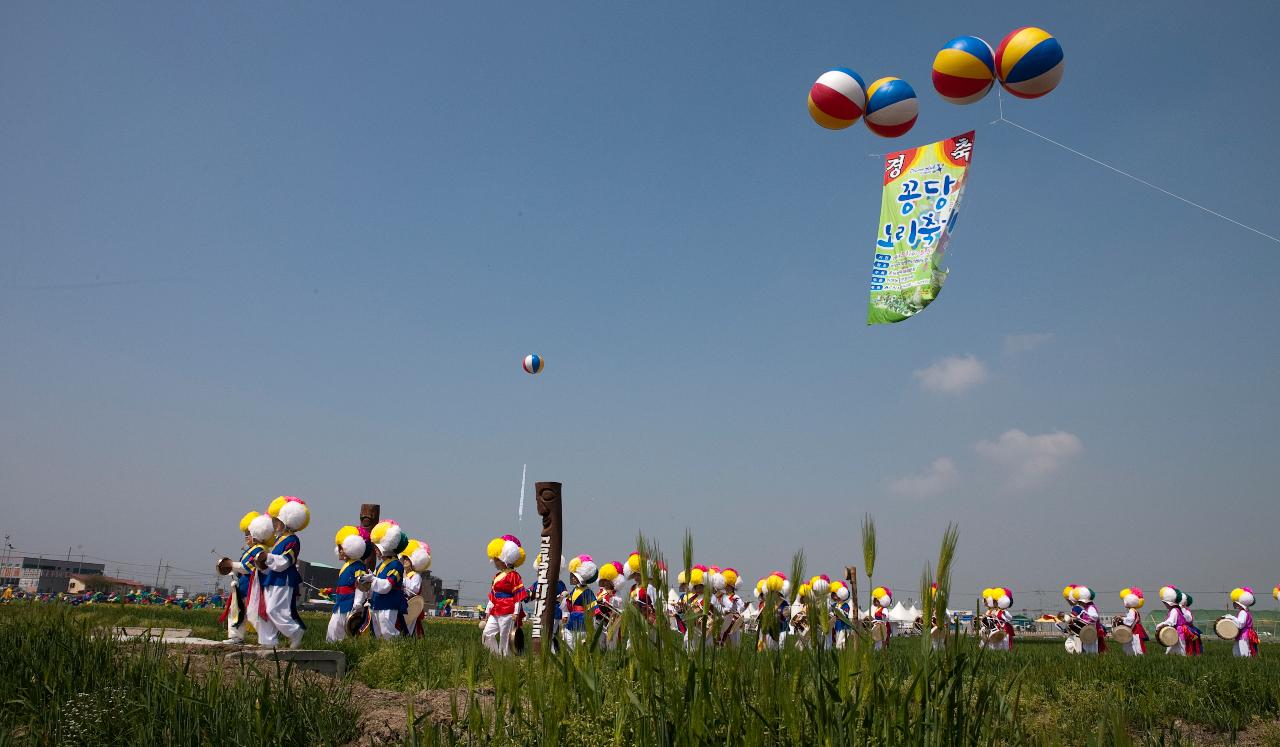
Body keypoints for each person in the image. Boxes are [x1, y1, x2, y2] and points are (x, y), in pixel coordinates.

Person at [255, 496, 310, 649]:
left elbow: (286, 561)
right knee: (268, 610)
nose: (275, 524)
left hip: (284, 579)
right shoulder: (280, 540)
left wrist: (268, 557)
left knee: (275, 609)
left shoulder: (293, 540)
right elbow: (273, 563)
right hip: (273, 578)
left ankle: (295, 631)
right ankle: (268, 641)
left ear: (287, 522)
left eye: (277, 521)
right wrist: (261, 563)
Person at [221, 510, 265, 644]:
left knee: (253, 616)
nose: (246, 536)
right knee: (235, 612)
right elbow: (241, 569)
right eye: (245, 533)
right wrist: (233, 573)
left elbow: (247, 568)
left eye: (249, 533)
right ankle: (235, 637)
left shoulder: (259, 550)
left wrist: (231, 565)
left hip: (252, 588)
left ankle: (266, 638)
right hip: (242, 587)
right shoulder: (251, 550)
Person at [482, 535, 528, 656]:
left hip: (508, 610)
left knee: (505, 638)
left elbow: (518, 596)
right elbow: (492, 595)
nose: (494, 561)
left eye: (496, 559)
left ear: (504, 559)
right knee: (487, 634)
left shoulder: (514, 576)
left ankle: (505, 662)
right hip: (496, 609)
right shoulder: (497, 576)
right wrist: (487, 611)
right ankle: (496, 657)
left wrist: (516, 613)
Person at [364, 520, 409, 639]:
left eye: (377, 547)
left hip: (389, 604)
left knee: (388, 632)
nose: (376, 551)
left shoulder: (396, 565)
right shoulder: (381, 565)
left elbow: (387, 586)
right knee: (379, 634)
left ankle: (395, 653)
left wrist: (372, 580)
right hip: (377, 604)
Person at [326, 526, 368, 643]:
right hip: (341, 602)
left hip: (350, 604)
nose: (339, 551)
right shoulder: (349, 565)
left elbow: (361, 587)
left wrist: (357, 604)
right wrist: (332, 595)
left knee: (340, 630)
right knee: (333, 629)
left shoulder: (358, 566)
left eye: (341, 548)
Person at [561, 554, 598, 650]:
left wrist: (591, 625)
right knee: (567, 638)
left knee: (579, 641)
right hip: (573, 618)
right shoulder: (574, 590)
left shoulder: (588, 592)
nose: (571, 577)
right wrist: (565, 615)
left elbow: (593, 610)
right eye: (571, 575)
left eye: (574, 576)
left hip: (582, 619)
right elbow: (568, 604)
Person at [401, 538, 432, 638]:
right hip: (402, 603)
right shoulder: (402, 574)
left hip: (412, 605)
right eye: (404, 558)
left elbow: (414, 590)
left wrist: (403, 581)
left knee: (410, 628)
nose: (405, 561)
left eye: (407, 559)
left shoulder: (416, 576)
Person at [593, 560, 625, 650]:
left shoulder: (616, 592)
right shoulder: (600, 592)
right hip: (599, 618)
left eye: (608, 580)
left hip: (611, 619)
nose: (605, 582)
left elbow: (619, 603)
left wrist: (611, 597)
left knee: (611, 641)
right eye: (604, 580)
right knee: (600, 641)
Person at [714, 568, 746, 646]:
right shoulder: (721, 596)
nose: (727, 587)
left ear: (733, 587)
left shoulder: (736, 596)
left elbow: (741, 608)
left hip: (733, 621)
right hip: (723, 620)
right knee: (722, 641)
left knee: (734, 641)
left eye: (729, 586)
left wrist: (743, 606)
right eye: (726, 586)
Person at [1228, 587, 1261, 658]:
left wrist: (1231, 617)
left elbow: (1240, 624)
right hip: (1243, 634)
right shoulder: (1244, 612)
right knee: (1237, 651)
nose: (1235, 605)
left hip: (1244, 635)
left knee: (1244, 652)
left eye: (1236, 603)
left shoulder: (1243, 612)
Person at [1158, 586, 1190, 656]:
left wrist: (1161, 625)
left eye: (1165, 603)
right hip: (1177, 630)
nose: (1165, 605)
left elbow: (1171, 621)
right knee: (1176, 646)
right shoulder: (1176, 609)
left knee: (1180, 646)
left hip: (1178, 631)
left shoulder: (1174, 610)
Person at [1075, 586, 1106, 654]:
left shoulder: (1091, 608)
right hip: (1089, 632)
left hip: (1091, 633)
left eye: (1080, 602)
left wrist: (1082, 616)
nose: (1080, 604)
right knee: (1087, 649)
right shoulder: (1087, 608)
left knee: (1091, 650)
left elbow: (1094, 617)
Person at [1118, 587, 1149, 656]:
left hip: (1135, 631)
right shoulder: (1134, 610)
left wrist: (1122, 619)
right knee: (1135, 644)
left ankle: (1136, 656)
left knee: (1136, 644)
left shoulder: (1131, 610)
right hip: (1136, 629)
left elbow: (1130, 620)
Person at [830, 580, 855, 649]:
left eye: (835, 594)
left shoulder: (845, 605)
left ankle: (842, 654)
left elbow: (846, 614)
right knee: (837, 640)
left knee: (841, 643)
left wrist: (839, 611)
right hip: (836, 625)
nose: (834, 596)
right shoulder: (834, 605)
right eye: (833, 594)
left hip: (844, 626)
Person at [990, 587, 1015, 652]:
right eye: (993, 601)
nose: (994, 603)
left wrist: (1003, 613)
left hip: (1004, 630)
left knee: (1005, 645)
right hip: (996, 629)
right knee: (996, 645)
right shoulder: (994, 611)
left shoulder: (1004, 611)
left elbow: (1009, 618)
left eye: (995, 601)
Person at [870, 586, 892, 650]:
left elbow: (886, 617)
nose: (875, 602)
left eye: (876, 600)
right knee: (877, 639)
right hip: (877, 626)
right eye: (875, 600)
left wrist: (882, 620)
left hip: (882, 626)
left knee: (882, 639)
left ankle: (882, 650)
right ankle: (877, 650)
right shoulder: (877, 609)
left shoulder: (884, 609)